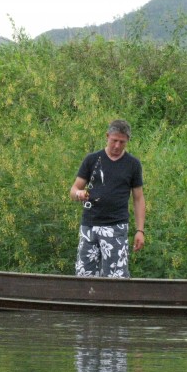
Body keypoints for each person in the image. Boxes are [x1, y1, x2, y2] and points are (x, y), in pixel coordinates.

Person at [70, 119, 145, 278]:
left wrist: (140, 230)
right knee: (85, 276)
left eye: (122, 142)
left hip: (116, 227)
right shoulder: (91, 160)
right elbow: (74, 189)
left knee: (116, 278)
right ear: (107, 136)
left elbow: (138, 199)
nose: (117, 146)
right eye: (114, 141)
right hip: (89, 226)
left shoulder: (133, 164)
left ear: (127, 141)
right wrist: (79, 194)